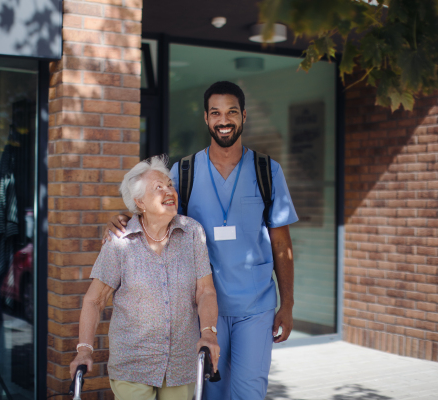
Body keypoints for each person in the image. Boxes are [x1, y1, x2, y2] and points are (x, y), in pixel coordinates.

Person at [104, 81, 298, 399]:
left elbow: (282, 245)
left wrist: (287, 304)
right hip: (204, 308)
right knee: (210, 392)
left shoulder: (268, 171)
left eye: (232, 112)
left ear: (244, 116)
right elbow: (158, 213)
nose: (224, 120)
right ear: (206, 119)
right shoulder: (186, 171)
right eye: (216, 113)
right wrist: (124, 219)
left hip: (255, 306)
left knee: (249, 392)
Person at [71, 155, 219, 400]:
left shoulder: (193, 232)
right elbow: (94, 301)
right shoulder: (119, 242)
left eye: (169, 184)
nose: (169, 191)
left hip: (181, 365)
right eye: (158, 188)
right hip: (133, 364)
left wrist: (208, 332)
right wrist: (84, 349)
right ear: (140, 202)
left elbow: (205, 291)